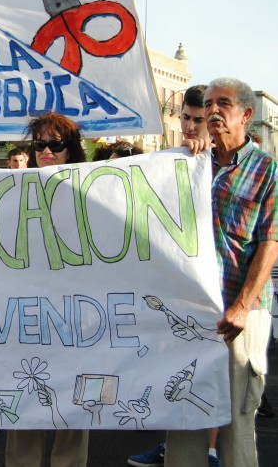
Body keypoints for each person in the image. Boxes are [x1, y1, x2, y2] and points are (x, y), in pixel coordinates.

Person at [164, 78, 277, 467]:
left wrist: (243, 306)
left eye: (223, 104)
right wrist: (185, 156)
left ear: (246, 114)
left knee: (236, 423)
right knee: (184, 418)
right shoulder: (190, 164)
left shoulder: (267, 171)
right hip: (191, 312)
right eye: (208, 103)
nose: (212, 111)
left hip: (240, 314)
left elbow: (269, 242)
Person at [128, 83, 220, 467]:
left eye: (198, 120)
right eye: (185, 117)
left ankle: (211, 451)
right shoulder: (166, 157)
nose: (189, 127)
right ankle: (172, 444)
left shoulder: (217, 162)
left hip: (210, 282)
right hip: (170, 282)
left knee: (209, 364)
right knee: (177, 366)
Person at [6, 112, 88, 467]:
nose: (47, 151)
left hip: (77, 311)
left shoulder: (91, 187)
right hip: (29, 311)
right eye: (40, 145)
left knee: (74, 395)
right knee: (25, 393)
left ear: (71, 149)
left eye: (56, 144)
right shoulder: (12, 190)